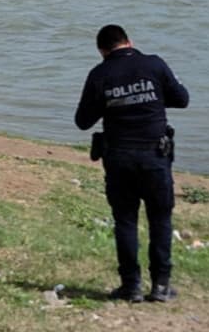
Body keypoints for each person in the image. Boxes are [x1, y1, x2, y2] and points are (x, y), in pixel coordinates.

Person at [75, 24, 189, 303]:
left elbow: (83, 121)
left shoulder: (100, 74)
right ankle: (160, 286)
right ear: (129, 42)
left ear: (102, 51)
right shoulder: (154, 64)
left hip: (119, 158)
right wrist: (150, 99)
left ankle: (131, 286)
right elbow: (182, 99)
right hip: (155, 157)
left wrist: (113, 101)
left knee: (125, 220)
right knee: (160, 219)